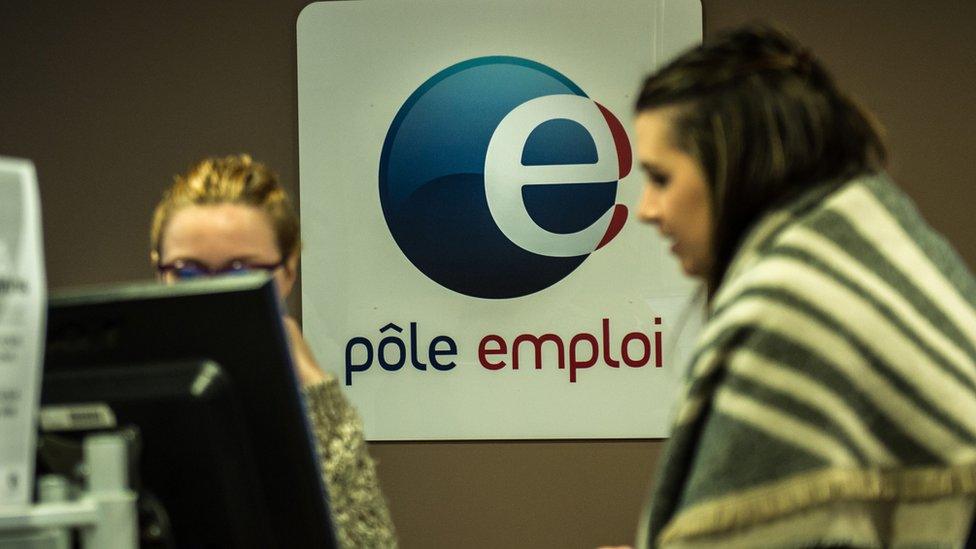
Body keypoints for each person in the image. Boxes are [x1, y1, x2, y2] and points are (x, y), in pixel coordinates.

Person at [624, 23, 976, 548]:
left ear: (732, 164)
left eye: (661, 178)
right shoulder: (871, 234)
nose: (644, 210)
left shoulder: (786, 300)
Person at [149, 154, 397, 548]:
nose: (213, 293)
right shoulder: (129, 389)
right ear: (160, 269)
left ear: (288, 270)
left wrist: (319, 398)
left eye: (241, 272)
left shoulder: (315, 403)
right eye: (188, 272)